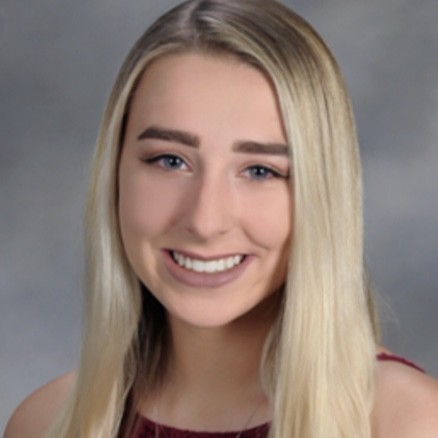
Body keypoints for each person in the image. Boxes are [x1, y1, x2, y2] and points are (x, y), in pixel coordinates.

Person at [5, 0, 438, 437]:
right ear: (115, 172)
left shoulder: (408, 422)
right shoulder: (46, 423)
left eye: (260, 171)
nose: (205, 220)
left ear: (322, 194)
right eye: (170, 161)